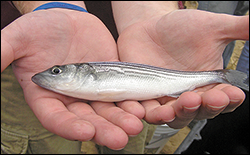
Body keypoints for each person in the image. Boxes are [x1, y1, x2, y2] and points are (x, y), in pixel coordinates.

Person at [1, 1, 248, 154]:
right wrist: (53, 4)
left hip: (143, 45)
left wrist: (150, 10)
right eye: (57, 71)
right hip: (36, 51)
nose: (53, 75)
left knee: (129, 137)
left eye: (57, 71)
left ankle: (219, 76)